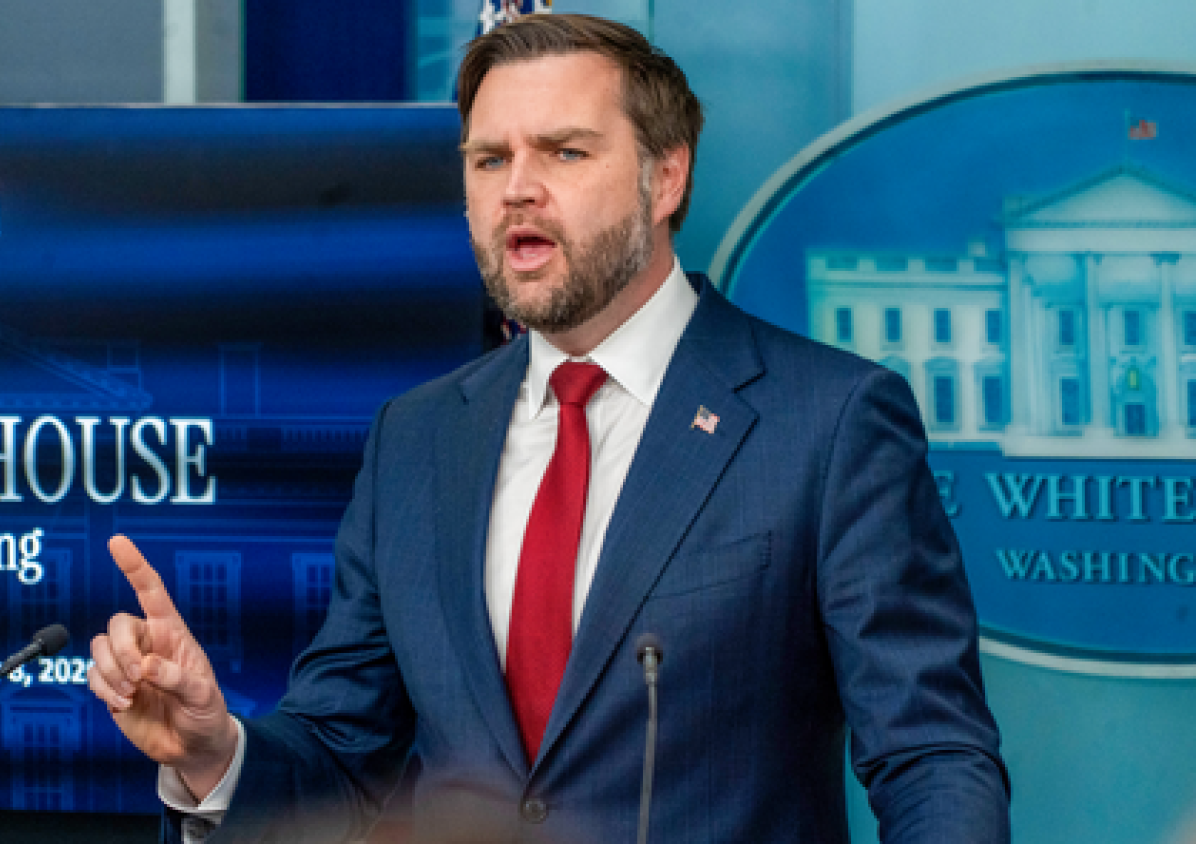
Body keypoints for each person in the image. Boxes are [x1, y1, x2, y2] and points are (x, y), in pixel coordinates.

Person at [89, 13, 1010, 843]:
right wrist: (214, 753)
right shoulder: (416, 438)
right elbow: (343, 754)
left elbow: (929, 755)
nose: (518, 190)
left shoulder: (829, 420)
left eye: (564, 152)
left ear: (666, 176)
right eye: (490, 160)